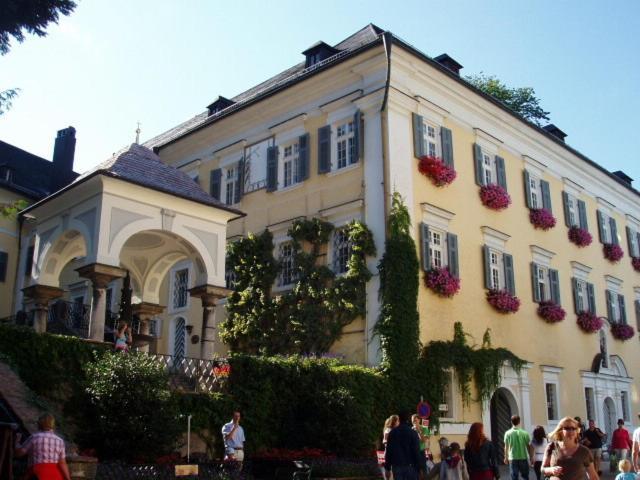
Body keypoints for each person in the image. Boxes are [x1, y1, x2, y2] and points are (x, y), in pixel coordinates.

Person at [14, 413, 71, 480]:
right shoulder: (60, 441)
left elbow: (19, 453)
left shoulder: (34, 437)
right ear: (53, 424)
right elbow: (62, 463)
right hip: (55, 476)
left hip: (37, 475)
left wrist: (17, 441)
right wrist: (68, 478)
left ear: (39, 424)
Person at [385, 411, 423, 480]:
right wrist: (420, 468)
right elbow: (416, 451)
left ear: (399, 419)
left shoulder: (392, 433)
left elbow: (389, 450)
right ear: (408, 420)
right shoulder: (413, 433)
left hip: (397, 466)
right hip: (411, 467)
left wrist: (387, 468)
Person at [503, 415, 532, 480]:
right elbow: (528, 446)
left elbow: (506, 446)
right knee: (525, 477)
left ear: (511, 422)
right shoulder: (525, 433)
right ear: (519, 422)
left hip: (512, 458)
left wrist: (505, 457)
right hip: (523, 457)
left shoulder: (507, 433)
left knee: (514, 477)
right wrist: (530, 456)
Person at [381, 415, 400, 479]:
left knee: (395, 468)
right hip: (389, 452)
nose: (399, 422)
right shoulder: (388, 430)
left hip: (395, 452)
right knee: (388, 468)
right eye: (398, 420)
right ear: (394, 421)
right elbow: (384, 441)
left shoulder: (398, 430)